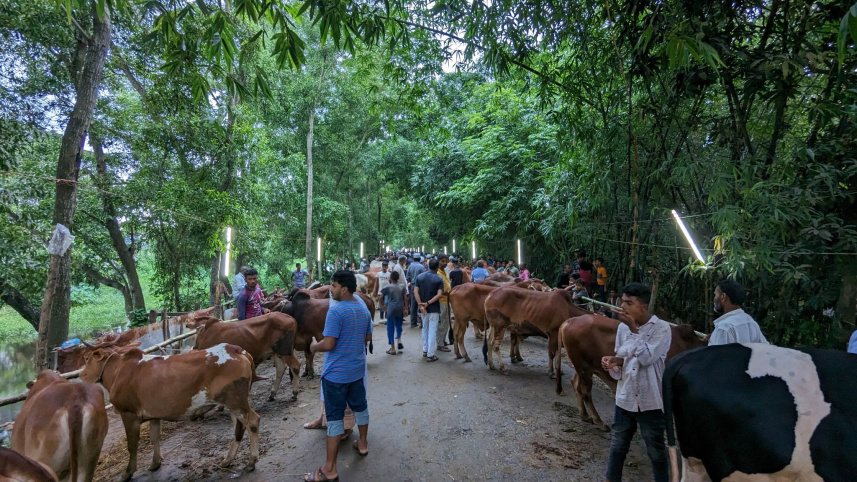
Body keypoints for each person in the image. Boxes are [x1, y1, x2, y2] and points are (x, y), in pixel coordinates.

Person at [305, 271, 372, 482]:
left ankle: (330, 469)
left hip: (336, 375)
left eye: (333, 286)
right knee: (361, 407)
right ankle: (362, 443)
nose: (329, 289)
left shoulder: (336, 311)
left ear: (343, 288)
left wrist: (314, 346)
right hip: (357, 370)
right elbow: (367, 338)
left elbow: (329, 343)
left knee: (334, 419)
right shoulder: (363, 307)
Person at [601, 283, 671, 482]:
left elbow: (646, 358)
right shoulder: (623, 328)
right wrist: (614, 362)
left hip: (650, 400)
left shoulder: (662, 329)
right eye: (623, 301)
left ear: (643, 306)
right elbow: (625, 357)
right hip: (625, 397)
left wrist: (634, 330)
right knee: (617, 445)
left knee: (656, 450)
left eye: (629, 303)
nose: (623, 306)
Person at [708, 280, 768, 345]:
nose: (714, 299)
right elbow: (766, 349)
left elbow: (718, 354)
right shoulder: (751, 322)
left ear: (723, 297)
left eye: (715, 295)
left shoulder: (724, 328)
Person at [414, 259, 445, 362]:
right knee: (432, 330)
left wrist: (420, 305)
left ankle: (425, 350)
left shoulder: (420, 277)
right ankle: (431, 354)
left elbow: (415, 291)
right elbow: (439, 294)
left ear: (427, 266)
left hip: (423, 309)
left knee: (425, 329)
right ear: (437, 268)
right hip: (433, 308)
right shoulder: (439, 279)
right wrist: (427, 303)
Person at [380, 271, 405, 354]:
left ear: (390, 277)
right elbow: (406, 298)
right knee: (399, 325)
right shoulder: (402, 287)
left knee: (390, 328)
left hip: (390, 309)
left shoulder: (388, 287)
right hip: (400, 309)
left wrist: (383, 306)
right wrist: (406, 308)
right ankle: (399, 340)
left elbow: (381, 297)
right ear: (398, 278)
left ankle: (392, 348)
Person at [436, 255, 452, 352]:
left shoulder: (446, 271)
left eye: (446, 261)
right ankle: (439, 344)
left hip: (447, 299)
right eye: (442, 261)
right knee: (442, 322)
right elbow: (440, 289)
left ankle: (442, 339)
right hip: (441, 300)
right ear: (438, 261)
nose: (444, 263)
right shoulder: (437, 273)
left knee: (446, 321)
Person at [407, 255, 427, 328]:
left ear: (413, 259)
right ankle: (422, 323)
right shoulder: (422, 267)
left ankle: (413, 322)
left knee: (413, 304)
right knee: (421, 303)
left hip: (412, 286)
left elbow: (407, 277)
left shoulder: (410, 267)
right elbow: (425, 277)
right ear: (419, 259)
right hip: (420, 287)